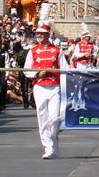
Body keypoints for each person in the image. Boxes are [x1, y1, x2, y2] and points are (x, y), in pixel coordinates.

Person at [24, 19, 68, 158]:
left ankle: (54, 141)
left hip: (54, 86)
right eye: (38, 33)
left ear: (48, 34)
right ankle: (48, 147)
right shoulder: (33, 51)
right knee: (42, 117)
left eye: (42, 33)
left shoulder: (57, 50)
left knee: (54, 119)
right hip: (39, 87)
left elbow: (65, 69)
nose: (40, 35)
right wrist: (37, 73)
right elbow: (26, 70)